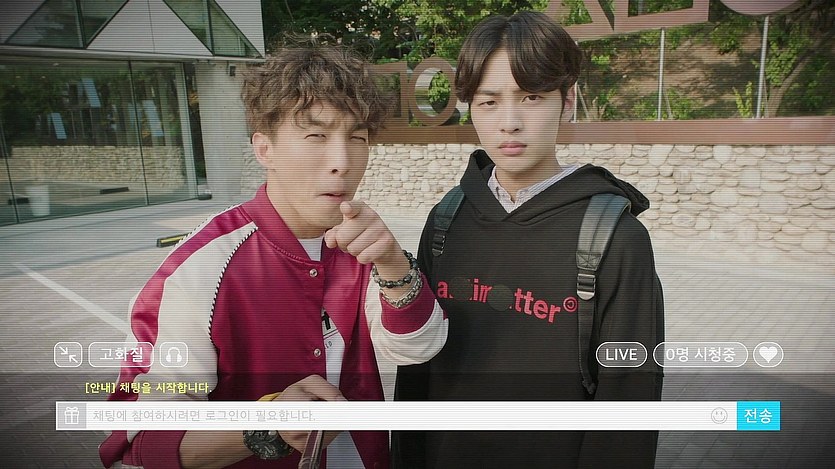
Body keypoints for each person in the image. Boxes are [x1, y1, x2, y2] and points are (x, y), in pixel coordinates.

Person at [99, 44, 448, 469]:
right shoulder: (200, 268)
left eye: (357, 138)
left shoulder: (363, 242)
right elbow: (138, 440)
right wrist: (266, 428)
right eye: (316, 136)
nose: (341, 162)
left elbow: (417, 348)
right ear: (264, 149)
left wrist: (393, 263)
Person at [392, 11, 664, 469]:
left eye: (532, 97)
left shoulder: (615, 237)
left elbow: (629, 399)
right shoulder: (446, 222)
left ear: (567, 101)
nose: (510, 122)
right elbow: (417, 374)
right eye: (489, 101)